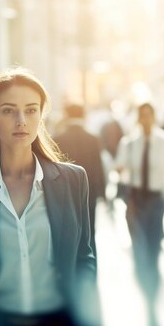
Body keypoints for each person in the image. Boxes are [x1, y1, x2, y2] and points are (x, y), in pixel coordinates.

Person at [0, 68, 100, 326]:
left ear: (41, 114)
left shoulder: (74, 180)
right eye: (8, 110)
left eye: (31, 110)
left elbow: (84, 256)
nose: (21, 121)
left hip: (59, 324)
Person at [114, 102, 164, 326]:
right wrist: (121, 173)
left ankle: (152, 285)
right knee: (138, 247)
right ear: (138, 118)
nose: (145, 120)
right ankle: (143, 279)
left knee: (154, 245)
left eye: (148, 115)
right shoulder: (129, 143)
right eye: (141, 116)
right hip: (135, 201)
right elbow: (119, 168)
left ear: (154, 117)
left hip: (156, 201)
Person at [54, 103, 106, 256]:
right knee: (89, 232)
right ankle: (90, 269)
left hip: (64, 193)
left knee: (66, 232)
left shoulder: (57, 138)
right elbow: (98, 166)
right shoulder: (93, 138)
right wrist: (102, 192)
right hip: (90, 192)